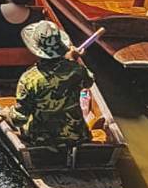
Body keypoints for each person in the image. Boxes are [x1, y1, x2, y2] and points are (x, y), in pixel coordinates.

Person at [9, 20, 92, 148]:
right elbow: (89, 82)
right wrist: (74, 61)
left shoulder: (29, 79)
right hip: (77, 136)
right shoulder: (77, 70)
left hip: (41, 139)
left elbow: (19, 119)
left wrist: (6, 113)